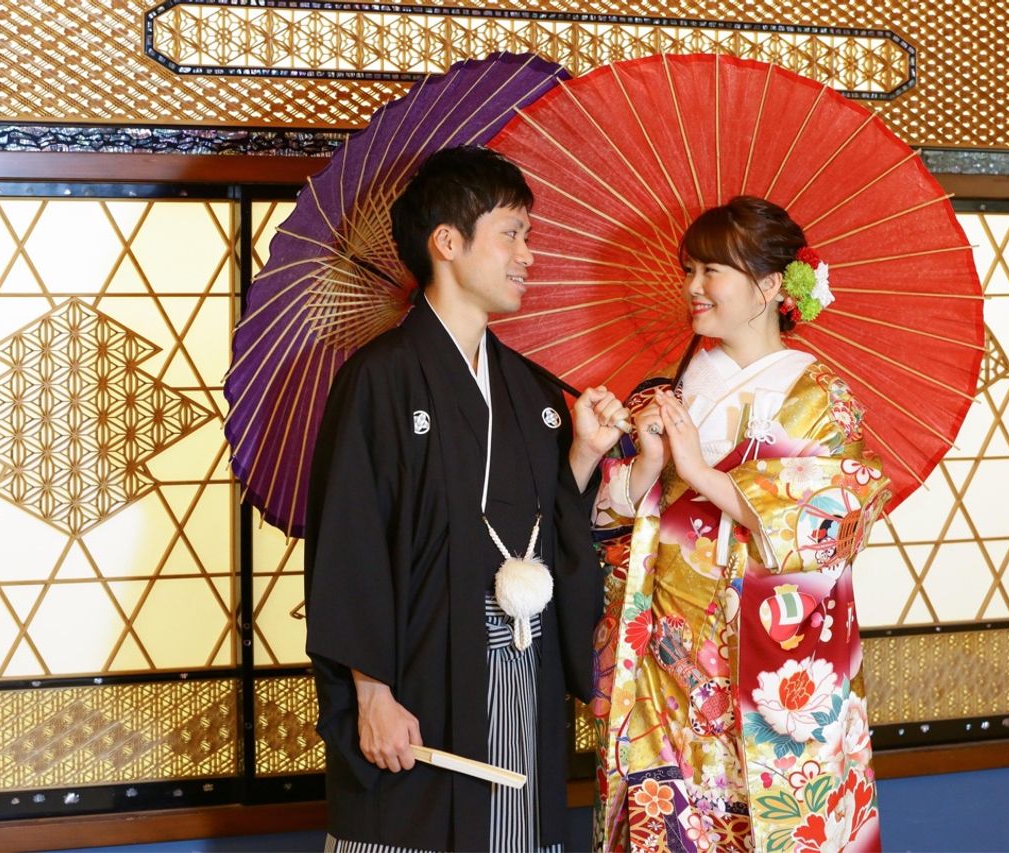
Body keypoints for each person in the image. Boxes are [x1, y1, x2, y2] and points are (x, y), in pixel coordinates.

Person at [304, 146, 629, 852]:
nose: (528, 256)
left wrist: (583, 454)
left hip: (522, 666)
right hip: (418, 669)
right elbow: (350, 542)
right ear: (447, 242)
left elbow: (546, 527)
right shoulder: (381, 378)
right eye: (512, 233)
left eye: (528, 235)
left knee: (512, 829)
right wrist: (371, 692)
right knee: (412, 827)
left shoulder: (531, 389)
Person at [590, 197, 890, 852]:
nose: (693, 287)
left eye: (713, 271)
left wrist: (699, 472)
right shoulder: (669, 388)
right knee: (664, 823)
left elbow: (829, 529)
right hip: (666, 653)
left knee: (771, 823)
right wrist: (647, 465)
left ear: (770, 285)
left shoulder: (821, 396)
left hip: (770, 660)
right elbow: (606, 526)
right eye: (689, 269)